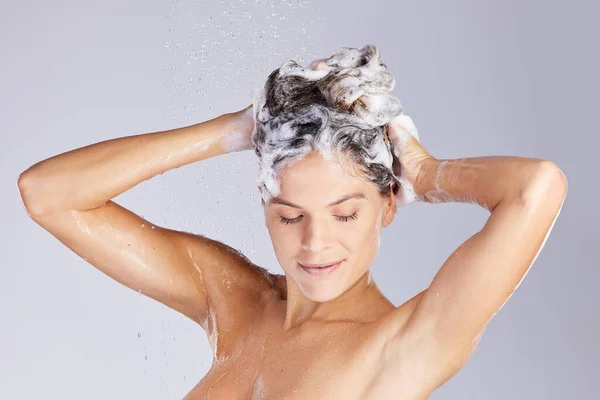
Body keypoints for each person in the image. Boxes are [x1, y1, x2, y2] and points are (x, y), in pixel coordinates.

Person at [17, 45, 567, 399]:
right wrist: (236, 130)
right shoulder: (233, 299)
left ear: (389, 205)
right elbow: (49, 194)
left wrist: (426, 171)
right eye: (289, 215)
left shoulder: (402, 345)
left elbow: (534, 188)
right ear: (264, 203)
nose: (314, 242)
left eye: (346, 213)